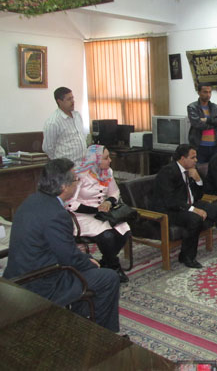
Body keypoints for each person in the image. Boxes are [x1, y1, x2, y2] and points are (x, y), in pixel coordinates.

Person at [3, 159, 120, 332]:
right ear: (65, 187)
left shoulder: (31, 200)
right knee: (108, 278)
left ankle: (78, 322)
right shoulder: (56, 214)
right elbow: (68, 257)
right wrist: (89, 262)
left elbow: (61, 249)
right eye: (76, 180)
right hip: (40, 282)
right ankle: (104, 335)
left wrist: (85, 259)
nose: (77, 183)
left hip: (17, 275)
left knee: (87, 269)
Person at [153, 144, 217, 268]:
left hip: (188, 204)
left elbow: (199, 195)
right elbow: (170, 201)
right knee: (195, 218)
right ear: (182, 158)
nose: (196, 160)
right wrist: (193, 209)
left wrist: (198, 180)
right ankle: (187, 257)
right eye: (193, 158)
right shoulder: (168, 172)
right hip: (170, 210)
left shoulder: (191, 169)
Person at [65, 145, 130, 283]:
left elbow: (114, 192)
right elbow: (70, 203)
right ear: (95, 160)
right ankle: (114, 266)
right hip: (82, 216)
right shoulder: (80, 175)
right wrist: (95, 210)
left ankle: (106, 261)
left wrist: (109, 202)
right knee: (107, 236)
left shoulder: (107, 172)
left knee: (125, 231)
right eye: (106, 158)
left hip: (102, 213)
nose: (110, 160)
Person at [42, 86, 87, 163]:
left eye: (72, 98)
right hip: (65, 166)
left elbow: (82, 136)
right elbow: (48, 148)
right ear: (59, 101)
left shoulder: (77, 115)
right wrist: (60, 162)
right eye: (69, 99)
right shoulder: (53, 122)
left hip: (82, 164)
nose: (73, 101)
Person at [187, 84, 217, 163]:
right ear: (199, 92)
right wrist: (215, 123)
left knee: (214, 168)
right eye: (205, 92)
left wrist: (207, 120)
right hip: (199, 147)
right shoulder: (192, 107)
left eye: (210, 92)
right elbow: (198, 124)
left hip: (214, 146)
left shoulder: (215, 107)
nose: (208, 95)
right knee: (199, 168)